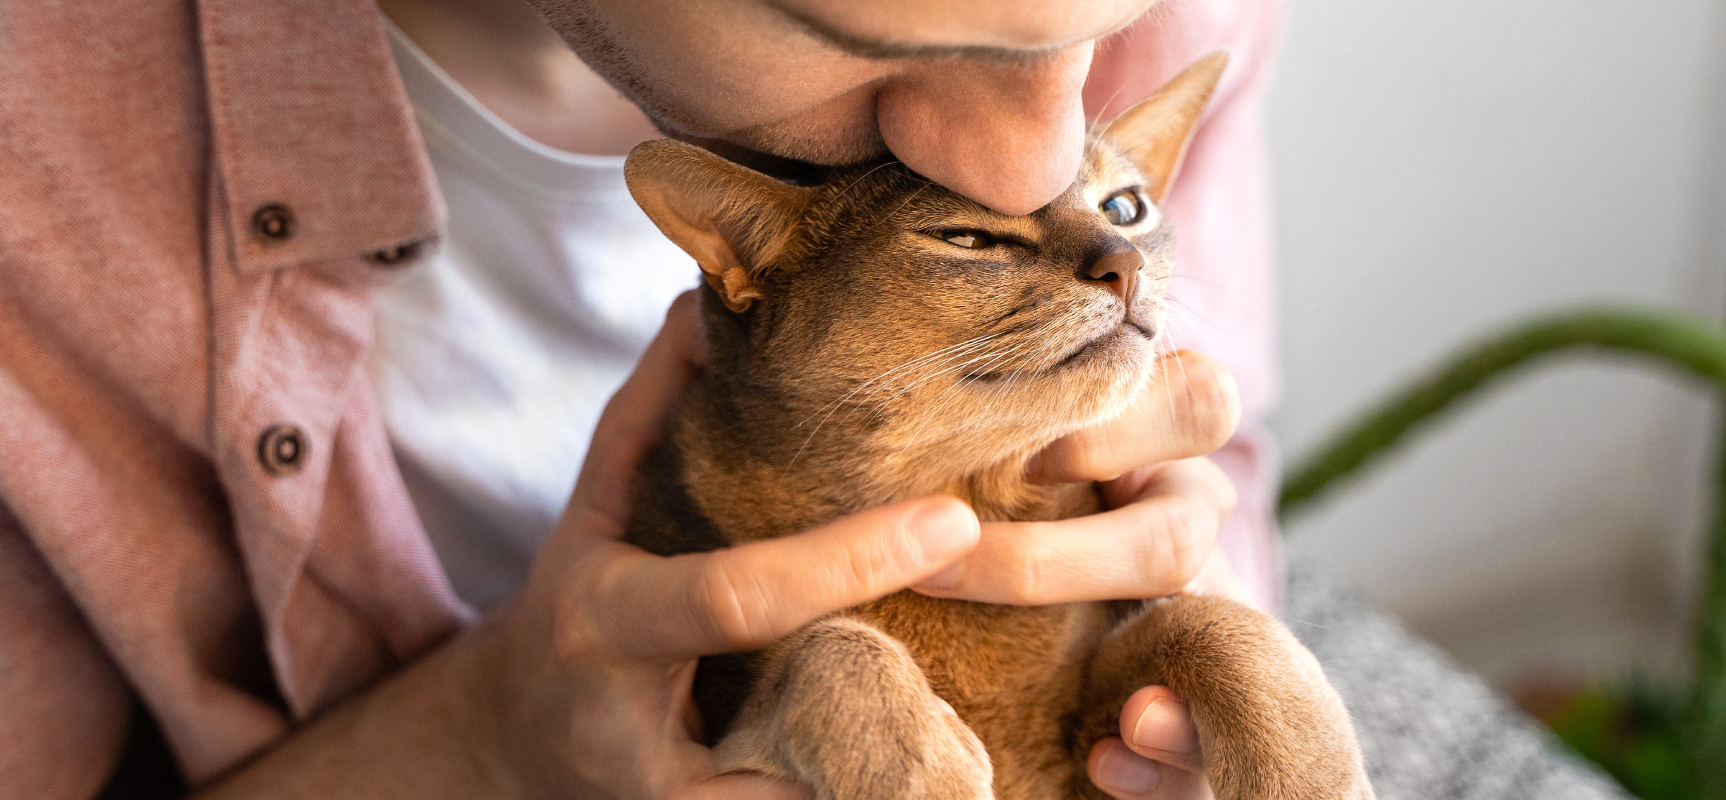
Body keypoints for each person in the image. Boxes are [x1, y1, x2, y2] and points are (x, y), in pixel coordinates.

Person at [0, 0, 1284, 797]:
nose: (1038, 154)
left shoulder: (1167, 36)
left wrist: (1191, 634)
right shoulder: (38, 156)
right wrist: (493, 744)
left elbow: (1220, 465)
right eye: (847, 27)